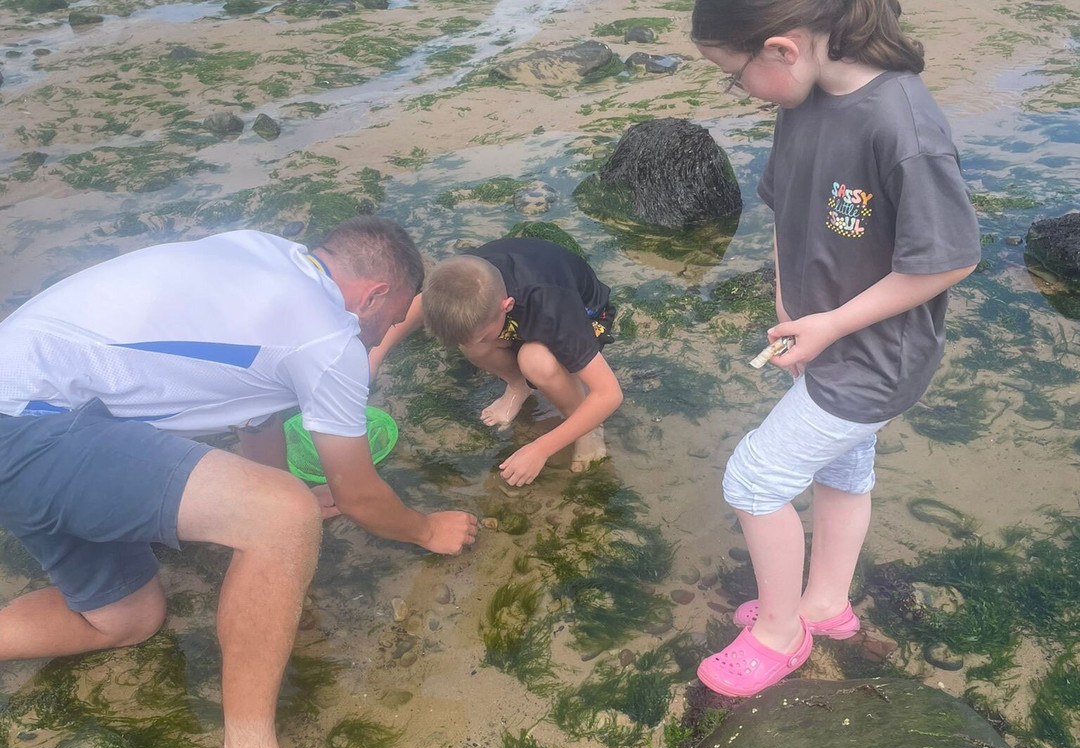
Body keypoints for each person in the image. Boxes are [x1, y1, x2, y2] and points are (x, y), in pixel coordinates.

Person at [0, 216, 478, 748]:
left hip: (35, 416)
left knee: (125, 619)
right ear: (375, 293)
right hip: (31, 426)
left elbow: (257, 409)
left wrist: (278, 490)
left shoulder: (266, 258)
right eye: (393, 315)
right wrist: (428, 527)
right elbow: (356, 495)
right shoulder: (328, 335)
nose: (379, 336)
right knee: (281, 518)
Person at [690, 0, 981, 697]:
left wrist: (833, 323)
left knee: (754, 481)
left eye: (735, 76)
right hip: (826, 339)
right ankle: (823, 605)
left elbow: (948, 260)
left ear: (784, 49)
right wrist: (791, 303)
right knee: (844, 470)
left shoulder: (901, 125)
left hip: (877, 359)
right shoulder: (805, 100)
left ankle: (779, 635)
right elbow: (785, 209)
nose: (739, 92)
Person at [369, 237, 623, 487]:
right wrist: (374, 358)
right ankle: (518, 385)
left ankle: (587, 427)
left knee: (535, 361)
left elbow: (609, 393)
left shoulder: (551, 305)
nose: (473, 343)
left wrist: (541, 448)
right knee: (473, 342)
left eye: (483, 335)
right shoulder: (459, 281)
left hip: (581, 310)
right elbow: (421, 304)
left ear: (507, 305)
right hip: (516, 311)